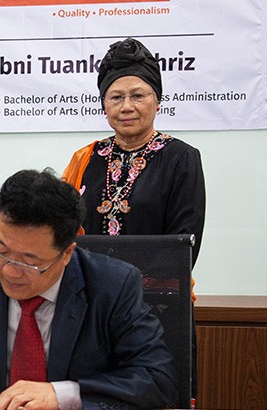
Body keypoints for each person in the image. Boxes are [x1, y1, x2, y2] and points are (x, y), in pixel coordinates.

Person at [0, 169, 178, 410]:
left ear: (67, 252)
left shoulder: (112, 285)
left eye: (30, 262)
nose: (9, 271)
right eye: (1, 251)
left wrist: (61, 394)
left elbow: (155, 378)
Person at [62, 37, 206, 267]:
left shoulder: (181, 158)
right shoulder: (86, 158)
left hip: (156, 294)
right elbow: (62, 231)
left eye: (138, 96)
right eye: (116, 97)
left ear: (157, 102)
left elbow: (184, 240)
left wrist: (131, 290)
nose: (127, 106)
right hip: (90, 291)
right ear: (104, 106)